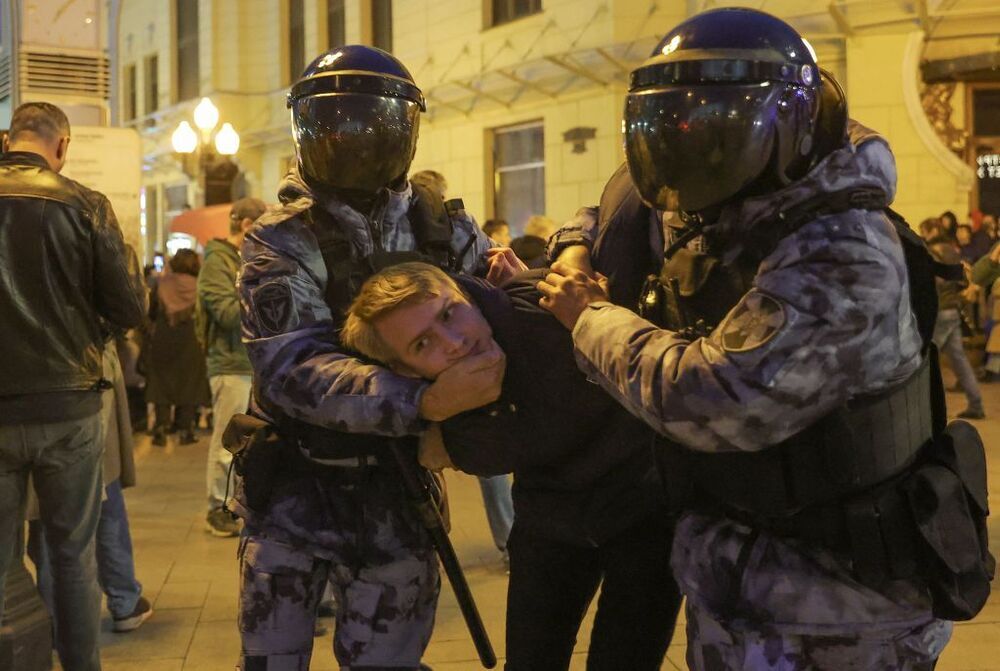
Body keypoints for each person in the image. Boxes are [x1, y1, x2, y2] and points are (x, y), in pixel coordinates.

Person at [538, 9, 984, 669]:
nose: (694, 159)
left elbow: (714, 398)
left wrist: (589, 317)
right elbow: (624, 203)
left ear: (788, 126)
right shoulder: (738, 201)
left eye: (718, 134)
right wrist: (575, 244)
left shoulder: (842, 248)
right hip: (744, 584)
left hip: (841, 608)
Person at [234, 45, 519, 670]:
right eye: (334, 123)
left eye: (373, 122)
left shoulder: (443, 229)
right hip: (293, 491)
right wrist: (424, 401)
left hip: (399, 494)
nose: (356, 140)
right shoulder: (280, 239)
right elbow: (289, 370)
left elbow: (502, 321)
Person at [340, 262, 681, 670]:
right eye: (422, 344)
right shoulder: (448, 408)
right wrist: (456, 413)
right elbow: (486, 454)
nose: (454, 342)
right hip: (549, 522)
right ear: (404, 371)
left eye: (450, 313)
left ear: (465, 295)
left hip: (646, 514)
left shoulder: (550, 307)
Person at [0, 102, 146, 671]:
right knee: (70, 554)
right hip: (70, 403)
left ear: (9, 138)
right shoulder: (85, 204)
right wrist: (87, 334)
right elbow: (130, 305)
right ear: (62, 146)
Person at [409, 168, 514, 564]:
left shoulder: (452, 230)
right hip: (462, 367)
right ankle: (507, 540)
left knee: (440, 459)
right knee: (486, 465)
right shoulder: (452, 230)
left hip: (435, 366)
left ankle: (498, 539)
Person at [28, 337, 153, 633]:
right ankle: (121, 600)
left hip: (25, 380)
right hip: (84, 371)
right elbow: (126, 306)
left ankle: (57, 618)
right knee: (101, 488)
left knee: (47, 501)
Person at [196, 197, 268, 537]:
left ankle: (238, 505)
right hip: (229, 363)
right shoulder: (217, 262)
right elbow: (225, 313)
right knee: (227, 437)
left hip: (251, 363)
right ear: (247, 226)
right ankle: (217, 508)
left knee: (248, 440)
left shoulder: (247, 260)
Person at [919, 218, 985, 418]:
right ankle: (976, 404)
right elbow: (962, 277)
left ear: (931, 230)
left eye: (924, 231)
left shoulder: (933, 251)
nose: (922, 234)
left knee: (923, 362)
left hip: (940, 311)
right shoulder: (952, 250)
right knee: (959, 360)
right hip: (953, 309)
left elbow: (934, 283)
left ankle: (924, 412)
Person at [145, 248, 211, 446]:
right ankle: (185, 429)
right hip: (190, 340)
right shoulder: (199, 286)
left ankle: (160, 428)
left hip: (163, 339)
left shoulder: (162, 283)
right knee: (189, 382)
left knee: (161, 382)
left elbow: (151, 312)